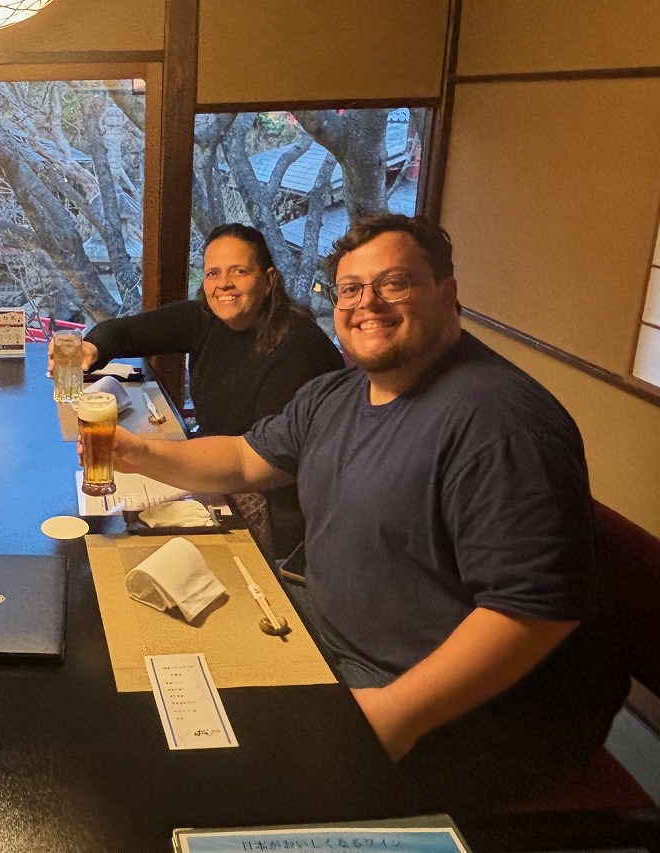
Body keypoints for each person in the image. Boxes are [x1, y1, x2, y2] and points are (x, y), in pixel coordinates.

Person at [104, 214, 628, 810]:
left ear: (447, 293)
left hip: (465, 709)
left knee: (219, 788)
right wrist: (140, 453)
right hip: (332, 633)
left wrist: (390, 717)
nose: (368, 304)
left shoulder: (499, 423)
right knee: (157, 678)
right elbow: (246, 460)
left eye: (394, 283)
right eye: (351, 289)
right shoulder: (338, 394)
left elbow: (533, 611)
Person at [71, 224, 343, 558]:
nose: (223, 284)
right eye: (213, 273)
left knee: (128, 540)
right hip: (219, 468)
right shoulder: (207, 319)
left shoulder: (299, 349)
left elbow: (257, 464)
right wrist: (92, 348)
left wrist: (152, 457)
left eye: (239, 271)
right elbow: (128, 332)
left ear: (268, 279)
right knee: (103, 508)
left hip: (276, 505)